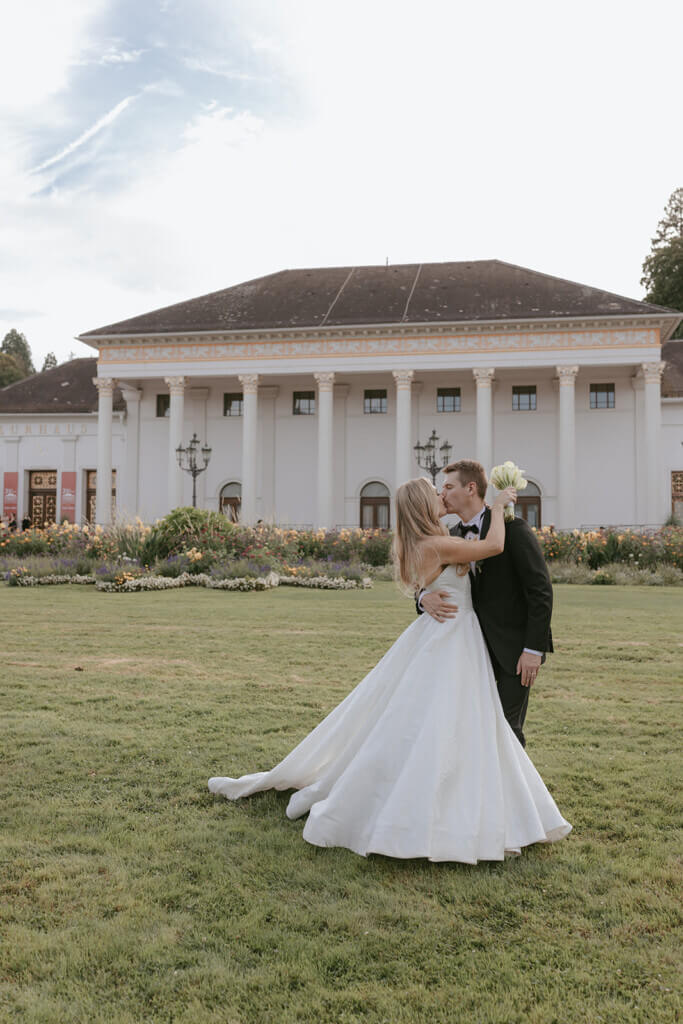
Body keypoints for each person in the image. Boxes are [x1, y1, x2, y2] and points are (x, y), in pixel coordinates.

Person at [208, 478, 570, 863]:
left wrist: (424, 594)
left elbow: (453, 577)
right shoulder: (436, 542)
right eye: (436, 493)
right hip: (450, 640)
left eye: (445, 489)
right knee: (443, 724)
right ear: (422, 506)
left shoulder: (432, 539)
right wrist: (498, 507)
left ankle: (485, 805)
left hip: (458, 637)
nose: (442, 496)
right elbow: (492, 547)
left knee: (467, 725)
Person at [419, 460, 552, 748]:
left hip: (514, 650)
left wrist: (533, 649)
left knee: (506, 729)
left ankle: (514, 792)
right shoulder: (451, 537)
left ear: (471, 488)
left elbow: (540, 590)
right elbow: (432, 585)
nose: (443, 493)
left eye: (449, 486)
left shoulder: (512, 528)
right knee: (469, 725)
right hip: (469, 650)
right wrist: (422, 597)